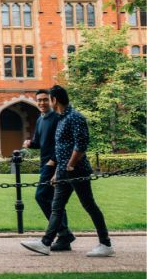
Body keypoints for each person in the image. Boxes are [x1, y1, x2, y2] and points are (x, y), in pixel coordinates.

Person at [21, 85, 114, 257]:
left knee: (89, 206)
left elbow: (81, 145)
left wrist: (70, 164)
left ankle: (106, 243)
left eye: (49, 99)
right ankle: (45, 243)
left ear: (54, 100)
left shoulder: (75, 117)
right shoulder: (62, 118)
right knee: (56, 207)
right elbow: (60, 148)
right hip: (64, 171)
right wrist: (58, 171)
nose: (47, 102)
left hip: (77, 170)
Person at [22, 89, 76, 251]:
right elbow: (39, 142)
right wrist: (30, 144)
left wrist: (54, 164)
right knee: (55, 201)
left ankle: (63, 233)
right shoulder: (40, 119)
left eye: (45, 100)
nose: (42, 103)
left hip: (53, 164)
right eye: (39, 100)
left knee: (41, 196)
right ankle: (64, 236)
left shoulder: (56, 118)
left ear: (51, 101)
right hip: (46, 163)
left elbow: (61, 143)